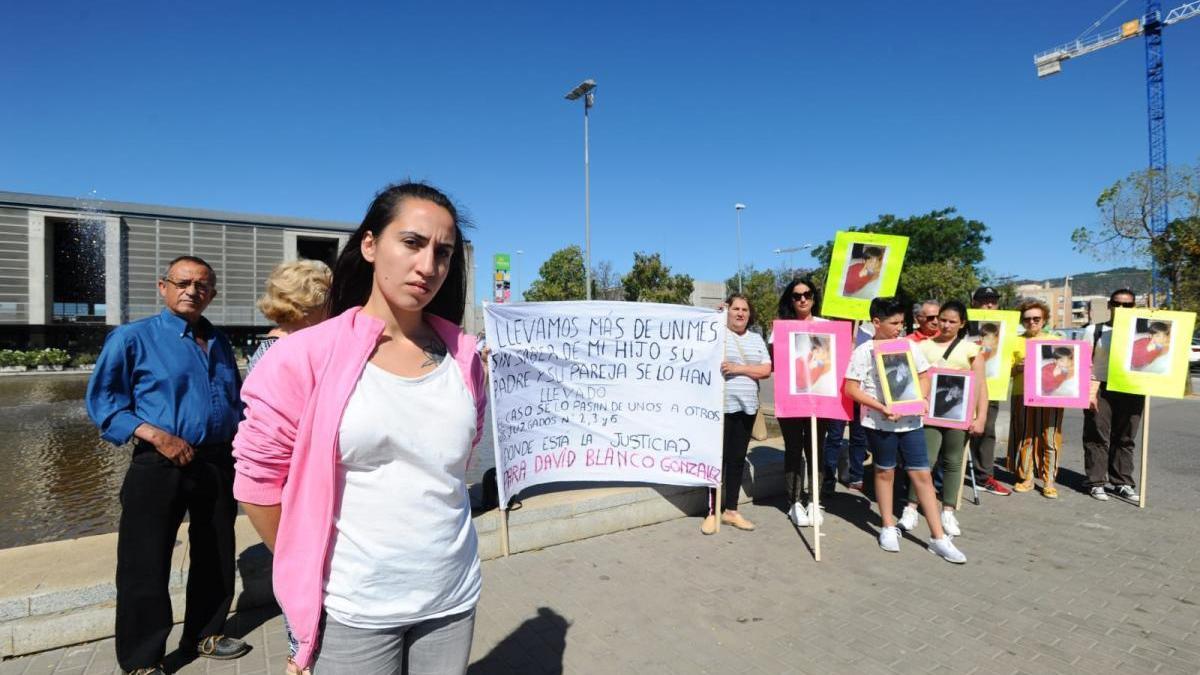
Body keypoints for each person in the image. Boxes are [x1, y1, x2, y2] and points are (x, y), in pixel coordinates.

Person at [233, 182, 488, 673]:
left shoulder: (464, 356)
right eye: (412, 243)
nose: (428, 265)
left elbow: (457, 461)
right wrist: (307, 568)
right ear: (370, 245)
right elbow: (259, 484)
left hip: (452, 598)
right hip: (353, 609)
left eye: (443, 251)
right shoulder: (303, 355)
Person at [86, 256, 249, 675]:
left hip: (216, 461)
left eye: (202, 285)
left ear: (212, 294)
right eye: (183, 282)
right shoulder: (132, 338)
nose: (192, 291)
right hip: (159, 462)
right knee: (145, 561)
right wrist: (158, 436)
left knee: (216, 551)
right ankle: (142, 659)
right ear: (163, 287)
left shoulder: (218, 341)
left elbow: (233, 402)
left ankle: (205, 633)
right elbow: (104, 403)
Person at [245, 259, 331, 675]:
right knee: (309, 605)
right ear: (311, 303)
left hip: (294, 495)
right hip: (298, 498)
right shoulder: (290, 353)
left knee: (301, 610)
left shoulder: (268, 347)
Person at [844, 297, 966, 563]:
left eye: (902, 322)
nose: (900, 327)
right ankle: (887, 526)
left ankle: (938, 537)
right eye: (894, 323)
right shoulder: (864, 351)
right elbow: (851, 389)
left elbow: (924, 375)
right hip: (879, 422)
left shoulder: (910, 346)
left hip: (910, 422)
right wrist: (881, 407)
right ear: (876, 322)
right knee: (885, 470)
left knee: (922, 473)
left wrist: (921, 399)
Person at [897, 300, 988, 537]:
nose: (945, 325)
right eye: (942, 319)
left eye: (952, 321)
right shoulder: (922, 347)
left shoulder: (971, 350)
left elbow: (981, 386)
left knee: (953, 461)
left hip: (958, 416)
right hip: (928, 415)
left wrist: (981, 418)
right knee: (923, 461)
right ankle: (911, 507)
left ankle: (948, 510)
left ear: (962, 324)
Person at [703, 293, 772, 534]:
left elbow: (766, 369)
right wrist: (715, 315)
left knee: (736, 459)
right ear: (728, 311)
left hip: (747, 407)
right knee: (717, 459)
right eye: (735, 309)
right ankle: (712, 511)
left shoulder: (756, 339)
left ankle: (730, 510)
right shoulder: (719, 335)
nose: (740, 313)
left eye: (744, 309)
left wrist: (739, 368)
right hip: (721, 408)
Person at [770, 278, 831, 528]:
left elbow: (833, 362)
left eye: (807, 294)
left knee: (815, 449)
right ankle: (794, 501)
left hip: (820, 399)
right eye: (797, 296)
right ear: (791, 300)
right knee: (794, 449)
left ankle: (815, 500)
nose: (803, 299)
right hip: (791, 400)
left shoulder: (827, 327)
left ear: (814, 298)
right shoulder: (781, 329)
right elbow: (779, 365)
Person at [1081, 289, 1143, 503]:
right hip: (1101, 387)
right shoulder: (1094, 330)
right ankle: (1096, 482)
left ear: (1133, 307)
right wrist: (1088, 393)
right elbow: (1084, 363)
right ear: (1109, 305)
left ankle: (1122, 482)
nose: (1122, 308)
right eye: (1117, 304)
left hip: (1131, 388)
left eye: (1127, 305)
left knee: (1126, 437)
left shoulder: (1141, 332)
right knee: (1097, 434)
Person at [1007, 299, 1066, 498]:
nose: (1031, 322)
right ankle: (1027, 478)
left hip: (1051, 396)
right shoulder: (1014, 341)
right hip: (1022, 394)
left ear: (1044, 320)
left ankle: (1049, 481)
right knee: (1025, 437)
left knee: (1050, 438)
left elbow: (1069, 370)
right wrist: (1018, 368)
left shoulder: (1057, 341)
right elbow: (1006, 372)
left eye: (1036, 319)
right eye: (1027, 319)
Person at [966, 286, 1012, 497]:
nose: (989, 304)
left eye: (993, 300)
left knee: (986, 432)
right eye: (984, 300)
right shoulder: (963, 323)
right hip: (963, 387)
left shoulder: (1008, 328)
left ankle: (984, 477)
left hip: (992, 389)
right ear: (974, 303)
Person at [247, 260, 332, 373]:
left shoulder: (274, 345)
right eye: (327, 305)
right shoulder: (284, 352)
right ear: (306, 307)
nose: (331, 313)